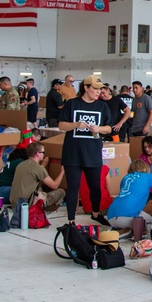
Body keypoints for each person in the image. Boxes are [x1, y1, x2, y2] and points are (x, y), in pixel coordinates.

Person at [58, 75, 113, 225]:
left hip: (93, 152)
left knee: (95, 186)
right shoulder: (71, 104)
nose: (98, 92)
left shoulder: (102, 106)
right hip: (73, 152)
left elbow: (109, 128)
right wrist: (76, 125)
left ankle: (95, 213)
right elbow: (61, 125)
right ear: (86, 88)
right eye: (95, 88)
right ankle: (71, 220)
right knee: (73, 187)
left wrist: (99, 128)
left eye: (100, 89)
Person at [107, 160, 152, 229]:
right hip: (128, 217)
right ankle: (132, 230)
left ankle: (124, 230)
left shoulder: (125, 178)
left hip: (110, 216)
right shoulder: (147, 177)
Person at [10, 142, 65, 209]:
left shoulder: (20, 165)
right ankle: (43, 211)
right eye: (43, 152)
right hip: (27, 205)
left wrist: (43, 166)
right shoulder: (38, 168)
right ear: (38, 154)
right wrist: (62, 171)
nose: (44, 154)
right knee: (62, 192)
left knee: (39, 187)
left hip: (15, 204)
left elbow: (33, 173)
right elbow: (55, 186)